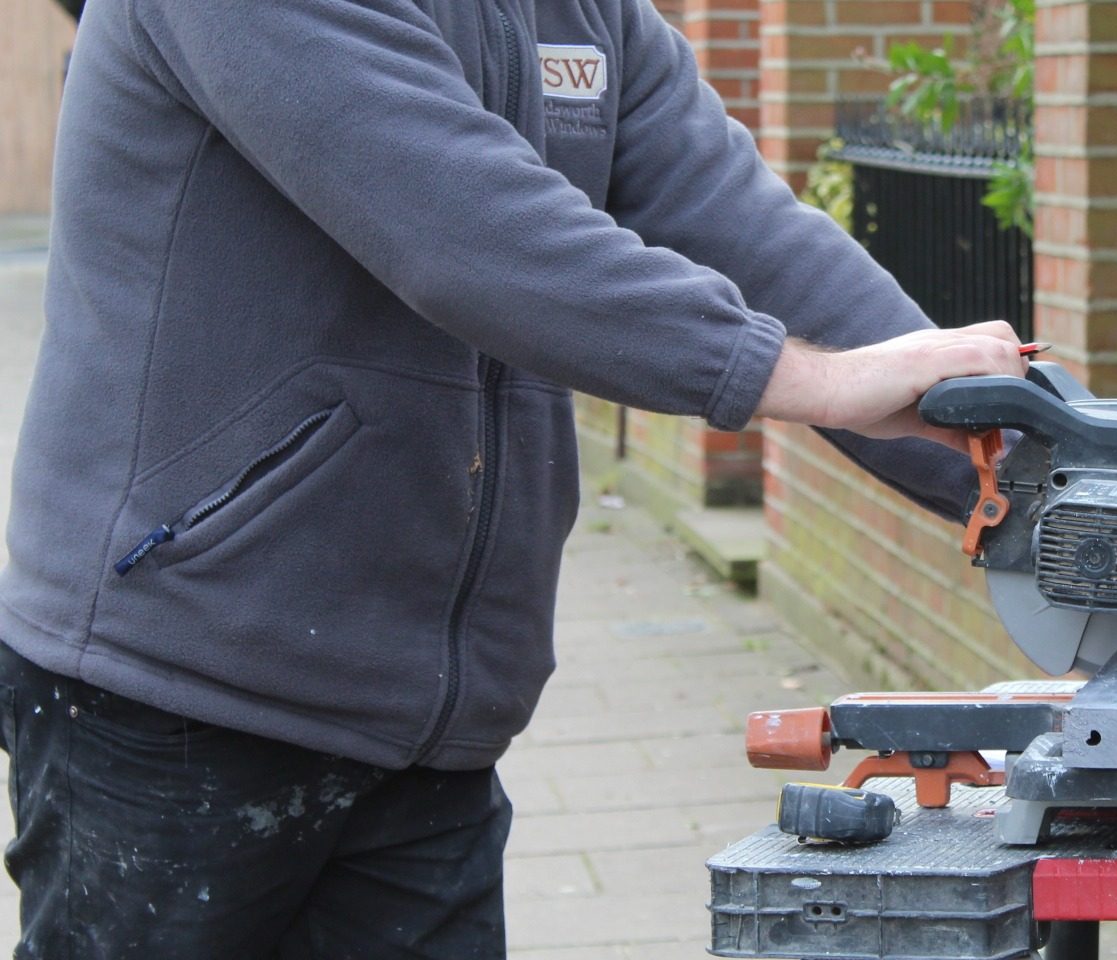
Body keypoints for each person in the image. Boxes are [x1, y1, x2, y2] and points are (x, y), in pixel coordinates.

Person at [0, 0, 1029, 955]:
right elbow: (464, 226)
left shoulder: (581, 16)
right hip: (180, 692)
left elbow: (748, 229)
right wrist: (801, 380)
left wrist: (1049, 463)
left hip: (431, 721)